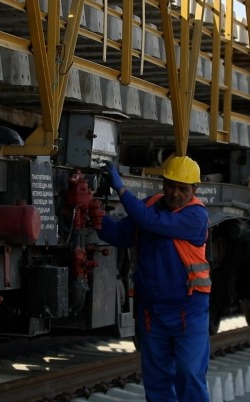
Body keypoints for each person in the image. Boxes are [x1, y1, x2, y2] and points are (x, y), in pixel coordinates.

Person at [94, 156, 211, 402]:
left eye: (183, 189)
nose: (175, 193)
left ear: (194, 190)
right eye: (170, 186)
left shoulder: (196, 216)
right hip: (152, 312)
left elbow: (150, 221)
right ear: (163, 184)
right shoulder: (149, 205)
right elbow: (120, 235)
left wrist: (121, 188)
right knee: (156, 381)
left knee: (189, 373)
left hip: (187, 311)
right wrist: (95, 216)